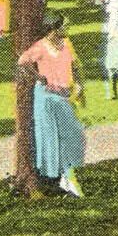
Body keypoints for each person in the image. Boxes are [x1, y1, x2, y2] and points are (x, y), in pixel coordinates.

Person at [20, 13, 87, 197]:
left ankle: (67, 177)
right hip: (46, 97)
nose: (68, 28)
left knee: (72, 135)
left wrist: (80, 85)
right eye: (64, 26)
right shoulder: (41, 46)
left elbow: (75, 65)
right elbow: (23, 62)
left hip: (64, 96)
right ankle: (63, 178)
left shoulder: (67, 44)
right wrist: (37, 77)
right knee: (50, 138)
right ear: (53, 29)